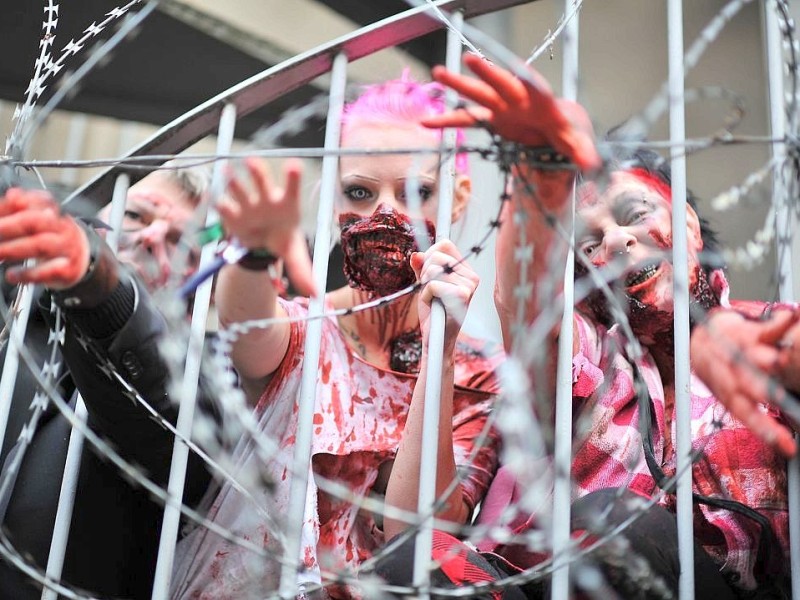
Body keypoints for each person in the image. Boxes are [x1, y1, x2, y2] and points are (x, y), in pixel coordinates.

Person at [374, 54, 798, 598]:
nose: (617, 242)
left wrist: (772, 358)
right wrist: (542, 171)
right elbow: (528, 312)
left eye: (634, 213)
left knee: (613, 522)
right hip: (542, 584)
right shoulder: (591, 353)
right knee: (411, 562)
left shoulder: (772, 328)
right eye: (589, 243)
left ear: (688, 226)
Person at [166, 75, 504, 599]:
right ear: (333, 201)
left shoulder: (479, 371)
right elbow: (249, 331)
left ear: (458, 199)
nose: (385, 213)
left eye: (417, 192)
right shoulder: (311, 327)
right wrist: (253, 252)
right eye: (360, 192)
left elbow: (421, 533)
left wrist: (440, 346)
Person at [0, 164, 215, 599]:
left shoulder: (205, 378)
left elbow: (173, 441)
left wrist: (103, 292)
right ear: (93, 217)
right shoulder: (13, 313)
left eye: (182, 243)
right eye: (136, 215)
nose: (153, 239)